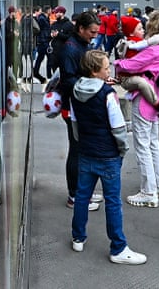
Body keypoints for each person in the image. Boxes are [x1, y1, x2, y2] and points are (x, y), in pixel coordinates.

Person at [69, 50, 147, 265]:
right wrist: (122, 149)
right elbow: (118, 126)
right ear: (95, 71)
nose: (109, 70)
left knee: (82, 196)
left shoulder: (75, 90)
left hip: (86, 151)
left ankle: (78, 237)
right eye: (105, 67)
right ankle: (118, 247)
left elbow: (75, 123)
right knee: (113, 201)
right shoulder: (107, 93)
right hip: (108, 154)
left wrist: (82, 142)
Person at [115, 14, 159, 208]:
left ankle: (148, 192)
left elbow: (132, 65)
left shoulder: (152, 50)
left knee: (142, 146)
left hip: (144, 100)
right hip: (157, 97)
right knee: (153, 144)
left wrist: (115, 64)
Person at [57, 11, 103, 211]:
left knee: (82, 150)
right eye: (92, 32)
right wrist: (93, 83)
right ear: (81, 29)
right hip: (74, 107)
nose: (95, 35)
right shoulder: (71, 49)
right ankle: (75, 194)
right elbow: (68, 80)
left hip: (80, 105)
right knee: (77, 151)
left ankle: (81, 191)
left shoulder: (80, 45)